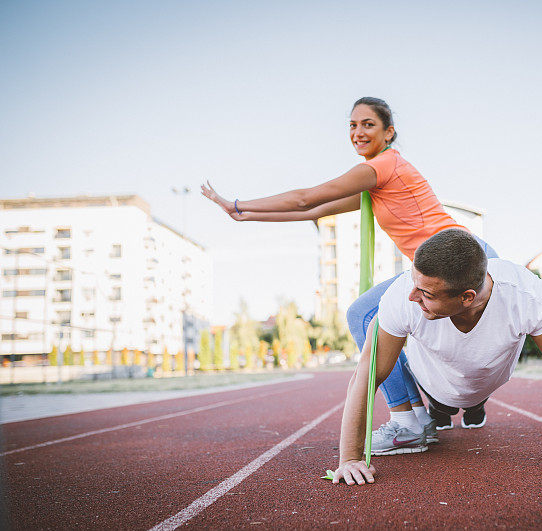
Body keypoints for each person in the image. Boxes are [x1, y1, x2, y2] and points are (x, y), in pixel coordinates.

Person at [201, 97, 498, 455]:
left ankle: (409, 422)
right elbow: (317, 208)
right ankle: (419, 417)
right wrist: (247, 216)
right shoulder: (376, 180)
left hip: (461, 257)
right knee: (390, 322)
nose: (358, 132)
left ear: (389, 132)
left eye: (368, 124)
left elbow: (304, 197)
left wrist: (238, 203)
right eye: (352, 125)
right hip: (453, 258)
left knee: (362, 314)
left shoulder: (382, 166)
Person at [332, 229, 542, 485]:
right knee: (441, 405)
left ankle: (473, 408)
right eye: (414, 285)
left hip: (485, 379)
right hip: (432, 382)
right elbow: (365, 376)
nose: (413, 297)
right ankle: (437, 411)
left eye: (426, 294)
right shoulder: (402, 298)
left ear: (467, 297)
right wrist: (349, 458)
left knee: (472, 399)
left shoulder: (528, 296)